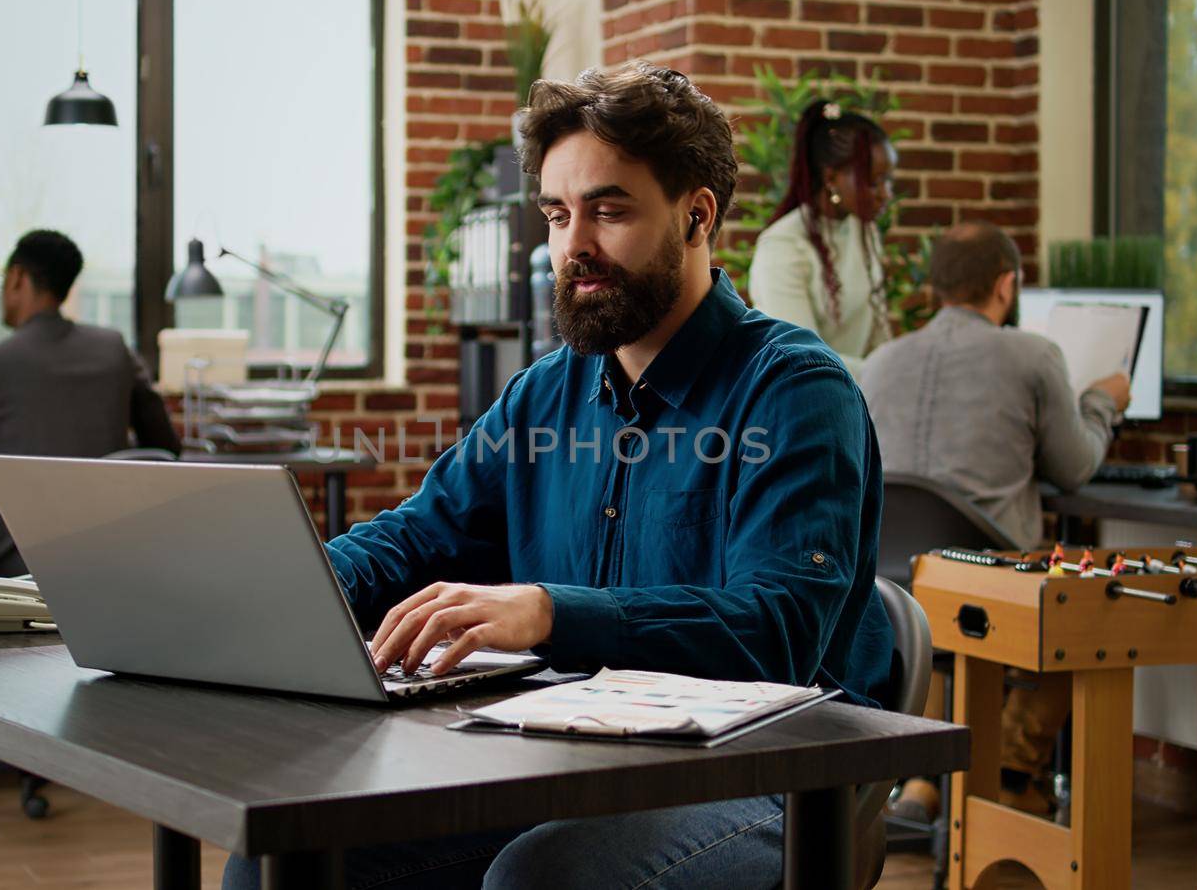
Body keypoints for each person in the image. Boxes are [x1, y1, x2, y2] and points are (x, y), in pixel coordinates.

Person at [222, 62, 893, 890]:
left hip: (768, 774)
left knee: (545, 879)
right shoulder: (546, 391)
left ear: (697, 214)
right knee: (280, 855)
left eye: (608, 211)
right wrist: (277, 586)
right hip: (571, 754)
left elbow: (775, 632)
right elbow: (420, 535)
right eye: (556, 214)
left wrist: (546, 612)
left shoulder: (794, 390)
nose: (572, 245)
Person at [860, 221, 1131, 818]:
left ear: (935, 289)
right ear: (1006, 285)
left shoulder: (878, 361)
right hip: (992, 574)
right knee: (1088, 614)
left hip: (900, 589)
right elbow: (1076, 465)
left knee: (947, 626)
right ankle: (1010, 774)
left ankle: (930, 779)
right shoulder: (1034, 354)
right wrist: (1104, 399)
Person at [0, 230, 179, 576]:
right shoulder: (114, 350)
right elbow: (165, 446)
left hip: (11, 566)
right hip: (106, 556)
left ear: (17, 277)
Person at [748, 101, 896, 378]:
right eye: (874, 182)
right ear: (831, 178)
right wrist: (885, 376)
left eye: (888, 180)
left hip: (864, 396)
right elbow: (802, 356)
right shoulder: (783, 246)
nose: (886, 193)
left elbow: (878, 333)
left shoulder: (864, 232)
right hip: (804, 398)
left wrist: (893, 370)